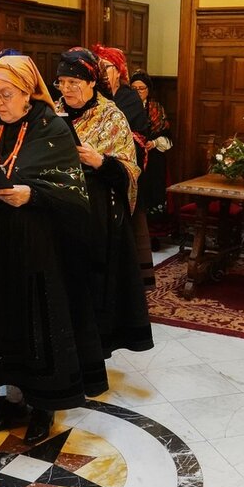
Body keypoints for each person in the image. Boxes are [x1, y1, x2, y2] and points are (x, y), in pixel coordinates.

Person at [0, 54, 107, 444]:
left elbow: (74, 197)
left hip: (38, 248)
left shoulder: (53, 129)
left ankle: (42, 405)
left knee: (36, 325)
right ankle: (12, 399)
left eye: (7, 94)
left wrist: (31, 194)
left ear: (29, 93)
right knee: (2, 321)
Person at [55, 47, 154, 358]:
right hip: (60, 209)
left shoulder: (111, 116)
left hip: (98, 213)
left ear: (91, 83)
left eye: (74, 82)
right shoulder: (54, 112)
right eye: (62, 82)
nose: (67, 89)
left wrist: (99, 161)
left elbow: (129, 169)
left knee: (94, 287)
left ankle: (93, 350)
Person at [92, 43, 155, 288]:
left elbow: (135, 136)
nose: (101, 72)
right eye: (97, 67)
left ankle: (133, 284)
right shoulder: (98, 96)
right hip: (99, 171)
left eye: (105, 67)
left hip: (124, 170)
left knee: (130, 228)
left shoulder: (128, 98)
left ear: (118, 70)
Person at [129, 70, 173, 250]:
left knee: (152, 193)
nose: (138, 91)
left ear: (149, 90)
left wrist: (153, 143)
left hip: (153, 159)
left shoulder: (155, 108)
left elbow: (167, 135)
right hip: (132, 157)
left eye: (142, 88)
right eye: (134, 88)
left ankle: (154, 235)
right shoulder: (125, 106)